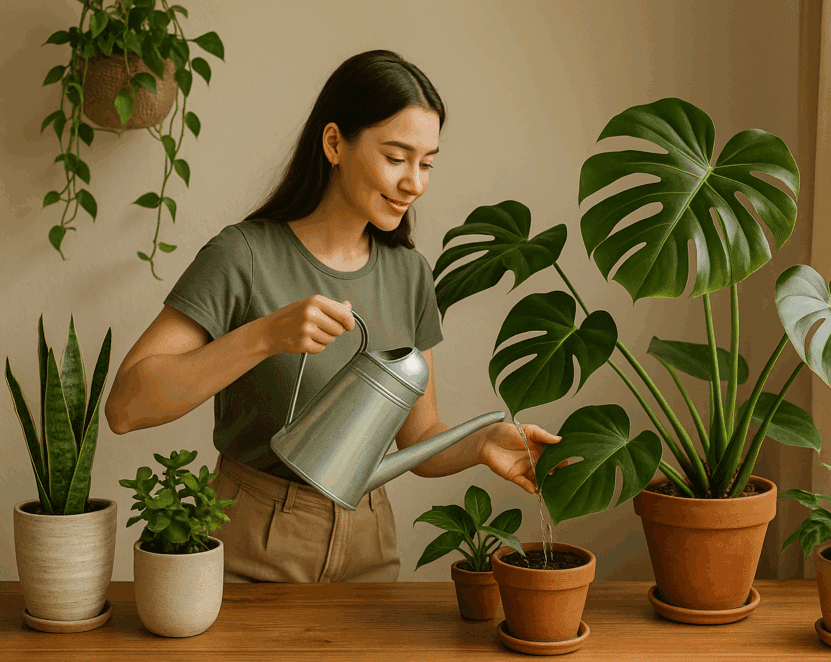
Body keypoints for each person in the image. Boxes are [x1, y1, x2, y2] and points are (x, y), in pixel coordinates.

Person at [103, 49, 562, 584]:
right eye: (397, 157)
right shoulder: (243, 256)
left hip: (368, 541)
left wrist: (484, 444)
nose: (415, 182)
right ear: (334, 144)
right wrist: (264, 336)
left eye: (428, 162)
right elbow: (126, 406)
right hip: (252, 537)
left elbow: (418, 437)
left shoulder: (410, 273)